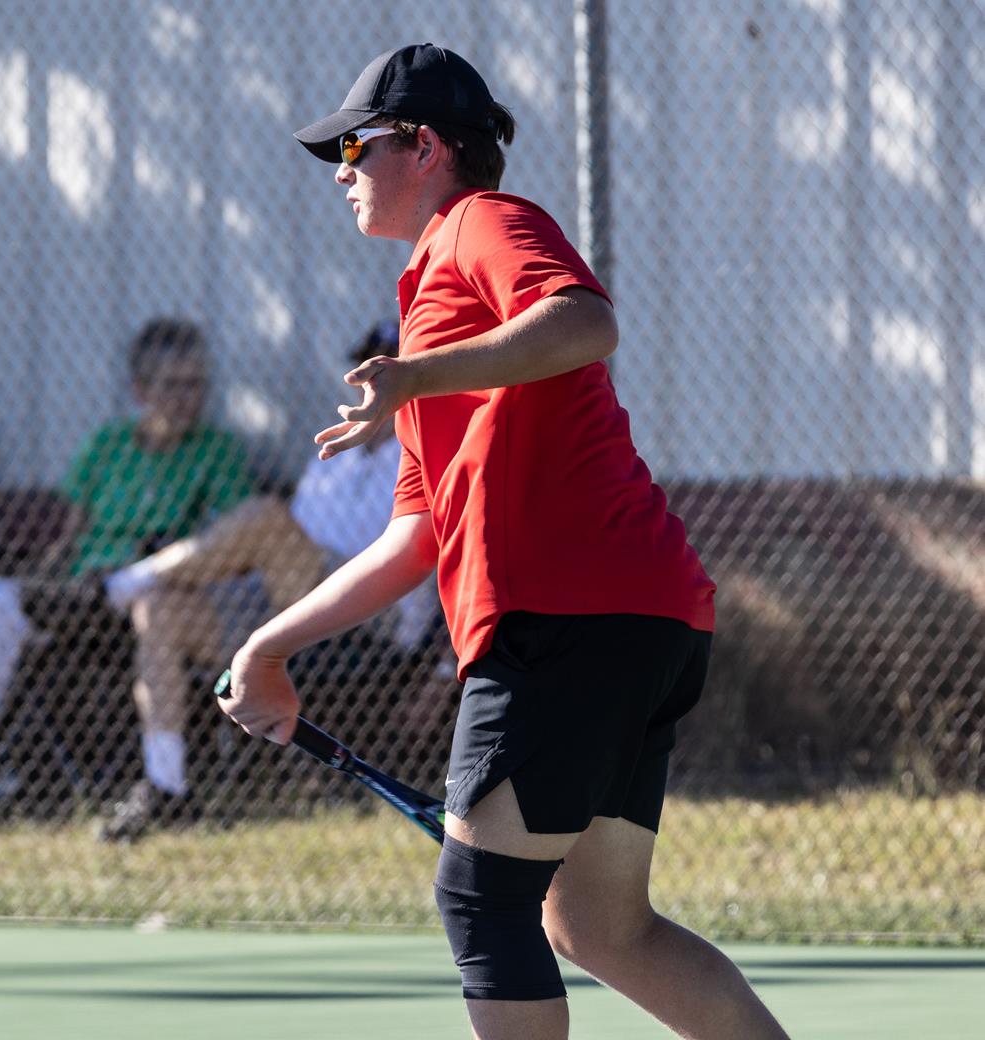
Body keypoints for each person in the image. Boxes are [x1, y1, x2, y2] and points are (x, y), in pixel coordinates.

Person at [220, 44, 788, 1039]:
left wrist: (412, 381)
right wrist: (269, 646)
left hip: (566, 618)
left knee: (483, 902)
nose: (338, 169)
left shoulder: (483, 223)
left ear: (424, 146)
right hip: (636, 617)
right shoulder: (423, 310)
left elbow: (582, 321)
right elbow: (415, 536)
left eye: (352, 145)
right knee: (601, 924)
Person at [0, 317, 254, 834]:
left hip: (140, 589)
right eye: (172, 385)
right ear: (140, 390)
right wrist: (37, 568)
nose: (186, 398)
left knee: (1, 613)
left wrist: (150, 552)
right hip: (79, 587)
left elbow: (228, 539)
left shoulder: (216, 450)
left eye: (195, 384)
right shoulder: (110, 443)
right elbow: (69, 534)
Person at [93, 321, 441, 841]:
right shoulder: (338, 447)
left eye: (387, 364)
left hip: (371, 613)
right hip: (287, 591)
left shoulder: (433, 447)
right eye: (367, 366)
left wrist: (441, 672)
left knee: (266, 518)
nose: (372, 378)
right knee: (160, 610)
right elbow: (285, 539)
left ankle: (125, 581)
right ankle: (167, 788)